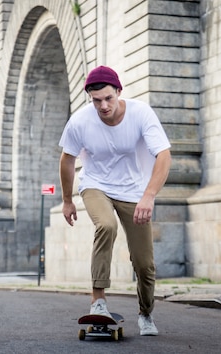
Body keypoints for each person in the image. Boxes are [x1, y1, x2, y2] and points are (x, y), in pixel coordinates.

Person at [58, 65, 171, 336]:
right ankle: (98, 301)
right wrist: (67, 201)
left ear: (119, 92)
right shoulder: (80, 121)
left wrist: (149, 195)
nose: (104, 106)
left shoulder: (141, 113)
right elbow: (67, 160)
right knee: (106, 225)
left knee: (144, 264)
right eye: (97, 101)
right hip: (96, 185)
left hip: (134, 191)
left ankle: (145, 314)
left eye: (109, 98)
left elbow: (164, 156)